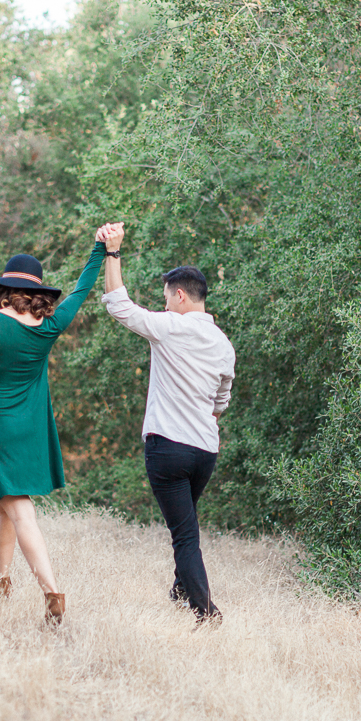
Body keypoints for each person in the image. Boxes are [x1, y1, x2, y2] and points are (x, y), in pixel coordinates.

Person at [0, 226, 113, 625]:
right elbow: (82, 290)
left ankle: (51, 592)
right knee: (4, 505)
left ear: (4, 290)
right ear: (38, 294)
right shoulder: (49, 326)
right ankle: (2, 581)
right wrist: (100, 250)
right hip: (28, 430)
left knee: (20, 509)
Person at [97, 222, 236, 623]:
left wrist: (113, 253)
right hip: (205, 451)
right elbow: (221, 400)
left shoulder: (171, 327)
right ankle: (179, 590)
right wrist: (206, 419)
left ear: (178, 296)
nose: (164, 303)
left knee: (185, 535)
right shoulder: (224, 344)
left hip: (168, 448)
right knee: (186, 522)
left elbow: (118, 304)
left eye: (165, 297)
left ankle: (205, 611)